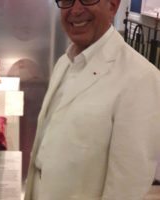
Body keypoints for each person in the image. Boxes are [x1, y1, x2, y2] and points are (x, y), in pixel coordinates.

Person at [24, 0, 160, 199]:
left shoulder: (141, 78)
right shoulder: (64, 62)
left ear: (112, 5)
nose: (76, 10)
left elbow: (126, 188)